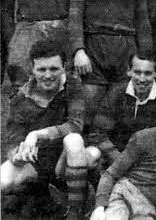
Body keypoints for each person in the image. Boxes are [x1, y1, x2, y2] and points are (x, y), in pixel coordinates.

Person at [0, 39, 99, 219]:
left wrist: (38, 134)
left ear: (64, 67)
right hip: (39, 162)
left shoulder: (72, 85)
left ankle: (75, 212)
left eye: (54, 69)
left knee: (74, 140)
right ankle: (39, 197)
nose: (47, 75)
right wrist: (18, 156)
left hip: (68, 156)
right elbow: (12, 142)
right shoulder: (20, 99)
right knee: (4, 179)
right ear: (32, 69)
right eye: (41, 69)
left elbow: (75, 125)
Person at [89, 54, 156, 165]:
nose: (142, 79)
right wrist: (118, 159)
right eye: (137, 72)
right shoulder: (116, 93)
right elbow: (98, 133)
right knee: (90, 155)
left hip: (147, 162)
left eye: (148, 73)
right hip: (114, 156)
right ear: (129, 71)